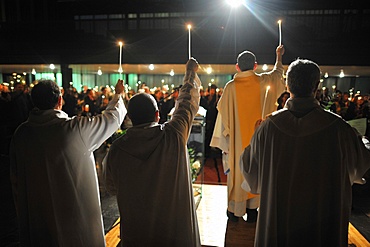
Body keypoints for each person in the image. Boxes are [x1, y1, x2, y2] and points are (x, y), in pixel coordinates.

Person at [240, 58, 370, 247]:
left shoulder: (268, 127)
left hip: (279, 222)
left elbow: (250, 169)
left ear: (287, 84)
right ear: (316, 86)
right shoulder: (339, 128)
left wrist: (255, 137)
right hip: (322, 220)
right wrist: (361, 139)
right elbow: (360, 165)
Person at [10, 79, 127, 246]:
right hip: (73, 222)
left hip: (37, 218)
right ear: (59, 100)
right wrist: (118, 95)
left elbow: (15, 179)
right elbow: (112, 118)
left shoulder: (21, 134)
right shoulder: (73, 129)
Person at [104, 58, 201, 246]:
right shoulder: (173, 135)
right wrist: (190, 72)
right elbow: (186, 103)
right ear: (157, 114)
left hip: (137, 232)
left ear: (130, 117)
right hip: (174, 232)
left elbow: (111, 187)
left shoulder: (117, 149)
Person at [210, 45, 286, 222]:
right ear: (255, 66)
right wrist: (279, 56)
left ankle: (235, 211)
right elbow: (278, 74)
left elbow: (223, 120)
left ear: (237, 67)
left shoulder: (230, 87)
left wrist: (225, 144)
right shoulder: (264, 82)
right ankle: (253, 210)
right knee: (256, 170)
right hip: (259, 143)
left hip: (237, 145)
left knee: (238, 171)